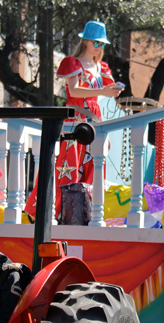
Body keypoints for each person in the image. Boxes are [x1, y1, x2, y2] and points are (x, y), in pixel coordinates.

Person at [24, 20, 122, 222]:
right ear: (86, 41)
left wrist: (113, 90)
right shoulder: (72, 62)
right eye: (97, 43)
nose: (99, 47)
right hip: (75, 117)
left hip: (94, 119)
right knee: (67, 165)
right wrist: (102, 90)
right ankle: (54, 213)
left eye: (102, 44)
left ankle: (82, 214)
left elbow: (109, 92)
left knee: (93, 167)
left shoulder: (101, 66)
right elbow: (74, 90)